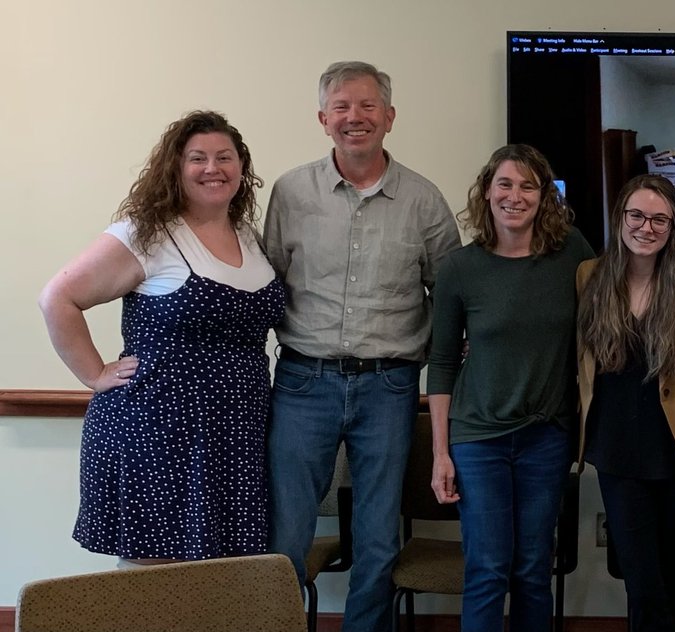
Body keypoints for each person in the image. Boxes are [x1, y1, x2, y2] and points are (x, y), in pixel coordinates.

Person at [263, 61, 460, 632]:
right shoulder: (290, 192)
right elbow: (268, 283)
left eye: (368, 106)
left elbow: (450, 295)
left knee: (378, 533)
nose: (355, 118)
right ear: (323, 119)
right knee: (287, 531)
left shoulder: (424, 200)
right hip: (303, 382)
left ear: (390, 117)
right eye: (342, 107)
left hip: (389, 385)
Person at [38, 111, 284, 564]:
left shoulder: (249, 237)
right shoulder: (145, 234)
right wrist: (94, 373)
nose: (213, 168)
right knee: (151, 583)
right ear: (175, 168)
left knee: (222, 582)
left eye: (225, 157)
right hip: (156, 432)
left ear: (242, 168)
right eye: (198, 158)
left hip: (235, 437)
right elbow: (57, 298)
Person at [426, 143, 595, 632]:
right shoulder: (460, 268)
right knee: (486, 570)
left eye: (528, 185)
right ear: (487, 191)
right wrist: (441, 453)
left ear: (544, 197)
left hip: (547, 437)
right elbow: (440, 364)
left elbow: (623, 290)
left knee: (533, 570)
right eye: (505, 183)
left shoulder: (572, 254)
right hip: (478, 440)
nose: (515, 196)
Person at [576, 175, 675, 632]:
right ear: (620, 218)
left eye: (659, 220)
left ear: (672, 228)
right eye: (637, 215)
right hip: (618, 454)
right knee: (642, 581)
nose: (646, 228)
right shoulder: (588, 276)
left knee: (672, 573)